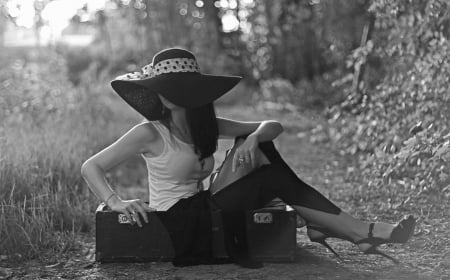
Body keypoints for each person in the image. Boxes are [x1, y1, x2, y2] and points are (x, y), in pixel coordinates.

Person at [81, 48, 416, 268]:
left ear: (191, 93)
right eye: (160, 86)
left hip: (208, 202)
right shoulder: (150, 132)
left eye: (171, 86)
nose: (162, 93)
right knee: (268, 171)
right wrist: (114, 201)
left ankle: (347, 229)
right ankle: (355, 230)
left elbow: (274, 125)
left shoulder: (208, 125)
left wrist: (253, 139)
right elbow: (91, 166)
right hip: (181, 217)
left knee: (263, 146)